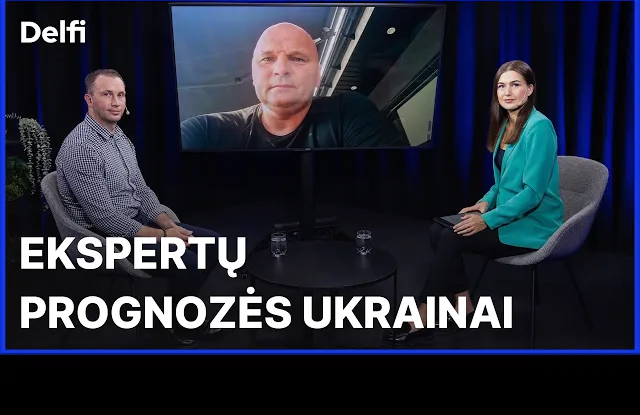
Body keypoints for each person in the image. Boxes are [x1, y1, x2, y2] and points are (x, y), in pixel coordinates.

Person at [385, 60, 565, 346]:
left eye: (515, 85)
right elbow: (503, 183)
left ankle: (421, 316)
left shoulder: (540, 127)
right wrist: (484, 203)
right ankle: (464, 307)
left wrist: (487, 220)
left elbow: (532, 194)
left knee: (450, 238)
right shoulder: (506, 124)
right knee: (438, 229)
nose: (507, 92)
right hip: (509, 213)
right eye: (501, 86)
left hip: (534, 222)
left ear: (530, 89)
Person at [56, 68, 223, 346]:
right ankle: (182, 325)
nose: (116, 102)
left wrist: (170, 225)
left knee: (213, 244)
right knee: (188, 261)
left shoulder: (119, 136)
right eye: (107, 94)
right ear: (89, 100)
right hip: (103, 239)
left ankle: (172, 314)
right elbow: (105, 218)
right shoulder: (81, 148)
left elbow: (141, 190)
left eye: (120, 95)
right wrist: (164, 236)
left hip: (134, 223)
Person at [180, 22, 406, 150]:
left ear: (318, 76)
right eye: (267, 59)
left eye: (298, 58)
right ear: (254, 74)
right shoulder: (206, 131)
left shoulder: (349, 112)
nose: (281, 69)